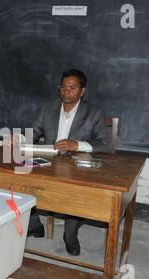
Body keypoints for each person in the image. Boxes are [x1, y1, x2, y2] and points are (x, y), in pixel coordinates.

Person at [28, 69, 110, 256]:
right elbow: (33, 133)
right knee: (18, 178)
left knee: (75, 191)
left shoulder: (94, 112)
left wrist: (77, 144)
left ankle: (70, 235)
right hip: (48, 162)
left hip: (76, 165)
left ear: (82, 91)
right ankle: (35, 225)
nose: (66, 92)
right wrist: (17, 140)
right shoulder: (48, 107)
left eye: (72, 88)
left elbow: (106, 144)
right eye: (63, 87)